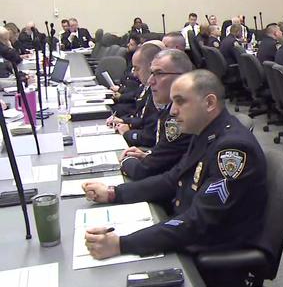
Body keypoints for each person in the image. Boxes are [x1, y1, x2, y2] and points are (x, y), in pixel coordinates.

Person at [83, 70, 267, 286]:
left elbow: (197, 222)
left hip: (212, 255)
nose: (173, 111)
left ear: (209, 103)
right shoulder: (205, 131)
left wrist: (121, 244)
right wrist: (114, 193)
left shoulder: (232, 150)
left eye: (180, 102)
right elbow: (172, 179)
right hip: (189, 234)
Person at [120, 49, 193, 180]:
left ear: (182, 77)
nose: (150, 81)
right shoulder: (169, 108)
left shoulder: (184, 116)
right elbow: (169, 157)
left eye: (159, 74)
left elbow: (146, 171)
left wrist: (125, 161)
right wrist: (148, 154)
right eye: (152, 73)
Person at [108, 43, 161, 147]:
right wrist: (124, 121)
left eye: (137, 69)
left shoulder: (159, 92)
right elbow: (140, 117)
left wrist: (128, 133)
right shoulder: (147, 88)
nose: (134, 74)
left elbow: (150, 137)